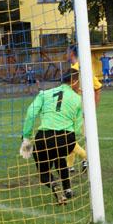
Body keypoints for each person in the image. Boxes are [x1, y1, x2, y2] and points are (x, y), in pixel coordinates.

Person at [19, 68, 83, 204]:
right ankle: (68, 190)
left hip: (45, 138)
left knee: (44, 172)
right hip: (67, 138)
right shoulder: (78, 99)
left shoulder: (44, 94)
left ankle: (53, 184)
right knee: (60, 160)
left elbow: (31, 114)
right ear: (74, 81)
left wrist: (26, 137)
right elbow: (77, 128)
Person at [66, 46, 101, 172]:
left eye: (67, 51)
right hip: (76, 106)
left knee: (71, 135)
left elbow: (97, 87)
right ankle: (71, 165)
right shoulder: (76, 68)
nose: (66, 54)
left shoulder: (80, 69)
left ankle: (86, 159)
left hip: (79, 107)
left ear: (71, 54)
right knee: (72, 135)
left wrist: (93, 107)